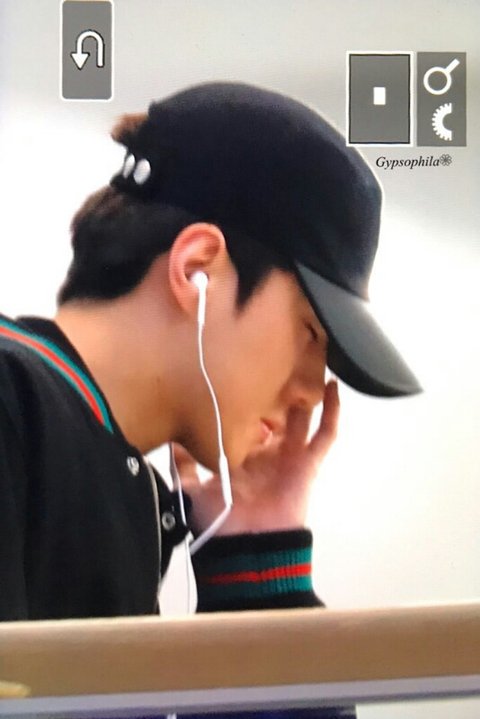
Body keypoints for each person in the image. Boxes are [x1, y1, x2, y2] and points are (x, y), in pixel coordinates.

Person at [0, 82, 420, 715]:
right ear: (197, 269)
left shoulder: (120, 482)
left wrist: (258, 572)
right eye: (310, 333)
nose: (312, 392)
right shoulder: (16, 410)